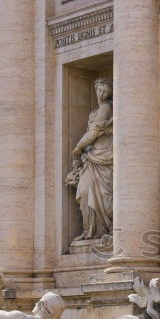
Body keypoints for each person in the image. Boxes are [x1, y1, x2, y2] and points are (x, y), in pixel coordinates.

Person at [67, 77, 113, 240]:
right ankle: (89, 231)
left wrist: (78, 148)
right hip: (92, 157)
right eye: (98, 90)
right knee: (85, 190)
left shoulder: (106, 108)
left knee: (103, 196)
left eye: (104, 90)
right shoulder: (94, 111)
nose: (100, 93)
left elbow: (93, 133)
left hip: (103, 155)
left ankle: (103, 230)